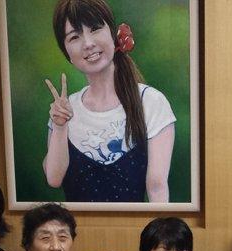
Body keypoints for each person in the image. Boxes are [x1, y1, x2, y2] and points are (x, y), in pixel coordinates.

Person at [43, 0, 176, 202]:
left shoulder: (151, 102)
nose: (88, 43)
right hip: (74, 232)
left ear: (113, 34)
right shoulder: (64, 108)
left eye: (95, 29)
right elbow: (54, 178)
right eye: (75, 37)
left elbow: (157, 187)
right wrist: (60, 127)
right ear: (67, 52)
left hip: (136, 231)